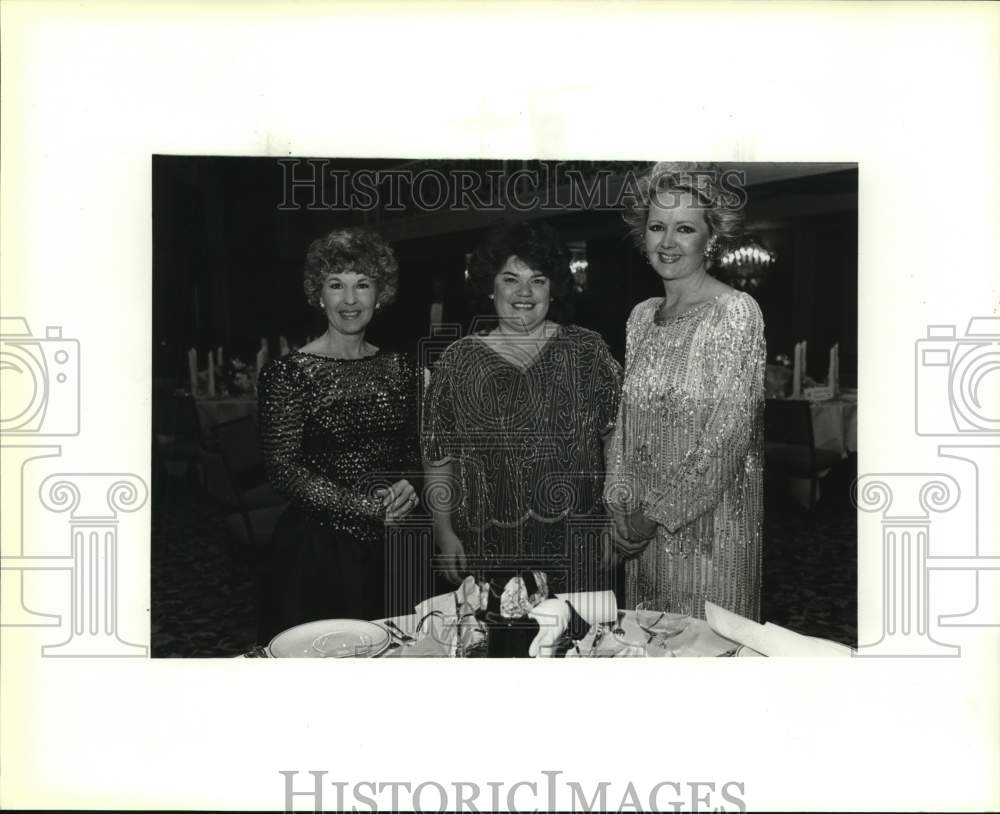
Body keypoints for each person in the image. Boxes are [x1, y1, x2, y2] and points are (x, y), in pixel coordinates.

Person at [421, 220, 623, 594]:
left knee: (580, 643)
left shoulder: (587, 351)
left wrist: (615, 519)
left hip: (577, 545)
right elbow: (437, 457)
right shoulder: (457, 362)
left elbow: (618, 444)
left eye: (539, 279)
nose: (525, 292)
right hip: (486, 547)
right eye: (510, 279)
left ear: (553, 288)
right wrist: (443, 530)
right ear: (489, 286)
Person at [604, 162, 765, 621]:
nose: (668, 242)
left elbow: (725, 441)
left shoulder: (736, 312)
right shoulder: (641, 316)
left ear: (710, 238)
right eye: (657, 226)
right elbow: (626, 422)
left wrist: (650, 517)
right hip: (642, 537)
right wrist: (620, 507)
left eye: (685, 228)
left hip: (712, 536)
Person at [256, 227, 422, 642]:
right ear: (319, 294)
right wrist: (364, 508)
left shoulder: (402, 369)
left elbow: (411, 450)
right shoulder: (288, 373)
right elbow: (283, 470)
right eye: (337, 285)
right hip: (317, 553)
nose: (350, 300)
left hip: (393, 549)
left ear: (380, 294)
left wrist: (409, 484)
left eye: (362, 285)